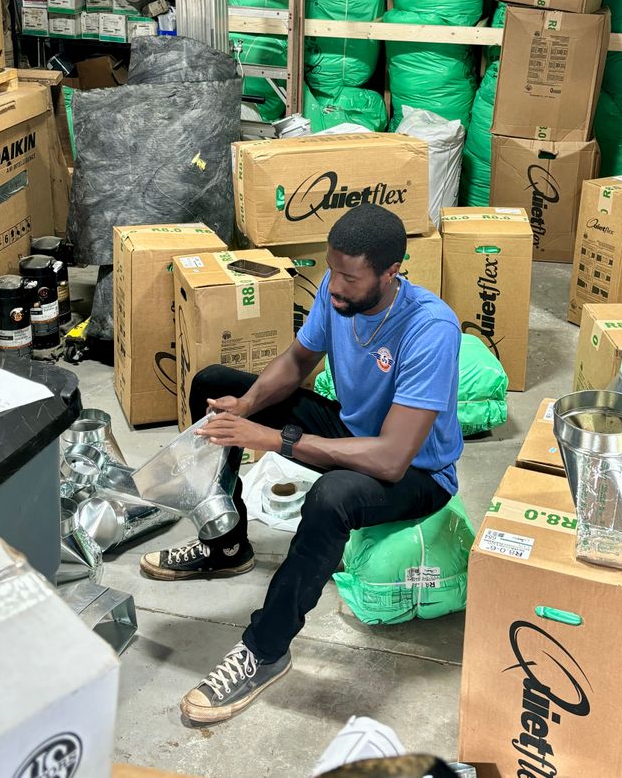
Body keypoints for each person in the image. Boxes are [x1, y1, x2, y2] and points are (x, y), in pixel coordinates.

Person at [141, 203, 463, 725]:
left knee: (332, 496)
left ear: (390, 272)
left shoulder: (430, 329)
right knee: (216, 384)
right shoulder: (336, 298)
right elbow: (294, 363)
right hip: (355, 433)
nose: (333, 287)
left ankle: (265, 651)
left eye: (349, 277)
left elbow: (390, 457)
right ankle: (225, 547)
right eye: (330, 269)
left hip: (417, 472)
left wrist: (271, 438)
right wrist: (243, 409)